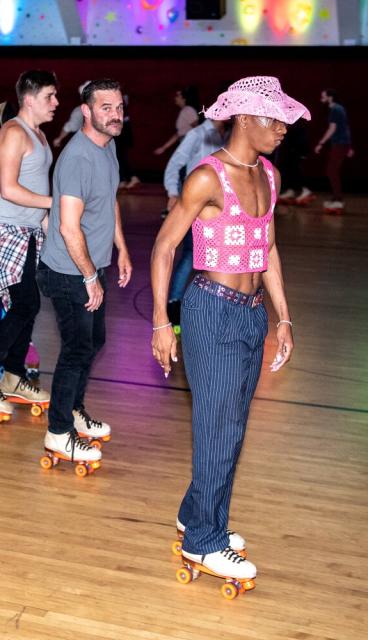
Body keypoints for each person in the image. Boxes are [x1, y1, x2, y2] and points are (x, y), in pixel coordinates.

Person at [151, 76, 306, 586]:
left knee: (232, 427)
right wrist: (160, 322)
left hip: (250, 312)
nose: (283, 128)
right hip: (211, 312)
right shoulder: (206, 178)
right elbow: (164, 247)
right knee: (219, 428)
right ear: (243, 118)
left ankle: (195, 515)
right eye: (273, 118)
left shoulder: (270, 175)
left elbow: (268, 248)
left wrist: (282, 317)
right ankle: (204, 542)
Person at [37, 79, 131, 467]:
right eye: (106, 107)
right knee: (77, 349)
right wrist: (90, 277)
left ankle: (73, 409)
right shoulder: (76, 158)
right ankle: (58, 433)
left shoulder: (108, 149)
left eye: (119, 107)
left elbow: (109, 203)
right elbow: (68, 227)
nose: (116, 114)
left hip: (92, 265)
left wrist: (121, 247)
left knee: (93, 342)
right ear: (87, 112)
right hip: (68, 270)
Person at [0, 71, 58, 418]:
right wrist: (54, 202)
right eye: (50, 96)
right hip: (8, 230)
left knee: (28, 304)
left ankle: (15, 376)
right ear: (29, 98)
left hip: (29, 230)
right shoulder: (14, 133)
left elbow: (33, 184)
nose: (56, 103)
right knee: (24, 305)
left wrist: (47, 222)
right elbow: (10, 188)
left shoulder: (40, 135)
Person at [161, 117, 229, 326]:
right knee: (191, 253)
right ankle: (173, 305)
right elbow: (174, 164)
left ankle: (208, 305)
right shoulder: (197, 134)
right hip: (195, 202)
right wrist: (173, 193)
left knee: (214, 254)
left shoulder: (224, 136)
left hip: (217, 203)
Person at [314, 88, 354, 212]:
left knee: (331, 171)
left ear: (330, 97)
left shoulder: (335, 109)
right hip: (342, 144)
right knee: (332, 171)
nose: (321, 97)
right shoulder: (339, 108)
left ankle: (338, 200)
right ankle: (337, 198)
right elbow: (345, 127)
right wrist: (349, 146)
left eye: (323, 95)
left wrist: (320, 143)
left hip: (339, 144)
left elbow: (332, 129)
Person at [154, 85, 201, 156]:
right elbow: (178, 134)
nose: (175, 98)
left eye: (178, 96)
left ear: (184, 99)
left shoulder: (188, 110)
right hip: (186, 145)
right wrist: (163, 148)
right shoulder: (185, 111)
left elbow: (197, 129)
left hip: (190, 147)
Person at [52, 81, 88, 148]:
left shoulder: (79, 111)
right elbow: (69, 126)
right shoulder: (79, 111)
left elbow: (69, 127)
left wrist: (59, 139)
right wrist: (59, 139)